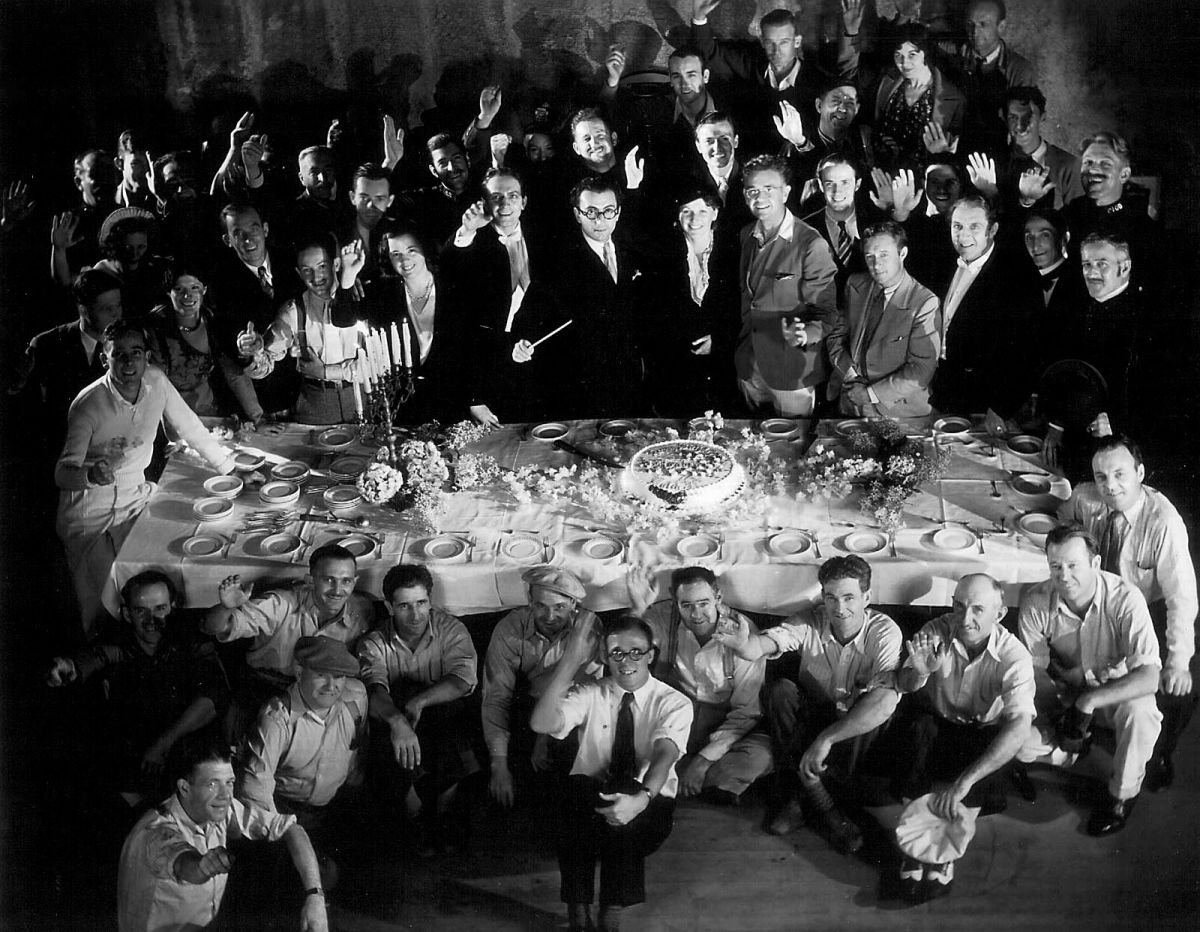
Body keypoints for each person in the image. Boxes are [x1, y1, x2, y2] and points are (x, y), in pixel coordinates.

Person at [56, 321, 236, 633]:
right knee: (102, 606)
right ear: (104, 359)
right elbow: (62, 473)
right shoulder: (88, 405)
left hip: (137, 498)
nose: (128, 363)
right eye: (119, 355)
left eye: (135, 353)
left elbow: (190, 427)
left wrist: (229, 469)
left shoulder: (156, 381)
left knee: (161, 577)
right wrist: (89, 475)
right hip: (89, 514)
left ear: (147, 357)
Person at [717, 556, 901, 853]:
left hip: (854, 724)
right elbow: (761, 645)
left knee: (874, 705)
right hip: (817, 712)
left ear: (867, 597)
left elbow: (886, 700)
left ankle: (815, 804)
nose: (839, 609)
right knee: (780, 692)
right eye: (830, 597)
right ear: (822, 597)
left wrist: (827, 740)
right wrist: (744, 645)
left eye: (849, 597)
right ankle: (816, 799)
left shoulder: (884, 631)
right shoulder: (810, 619)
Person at [531, 614, 693, 932]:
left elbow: (665, 753)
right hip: (591, 805)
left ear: (650, 655)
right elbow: (541, 724)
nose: (626, 660)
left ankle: (611, 912)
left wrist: (642, 798)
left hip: (649, 809)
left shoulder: (674, 702)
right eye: (617, 652)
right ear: (605, 656)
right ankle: (579, 910)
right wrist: (571, 663)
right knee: (574, 786)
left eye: (636, 652)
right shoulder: (592, 692)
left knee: (622, 788)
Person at [1058, 437, 1197, 792]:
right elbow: (1060, 524)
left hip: (1149, 610)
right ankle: (1080, 725)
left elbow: (1181, 596)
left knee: (1175, 685)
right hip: (1098, 601)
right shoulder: (1085, 496)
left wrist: (1178, 661)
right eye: (1101, 477)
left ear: (1141, 473)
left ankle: (1159, 753)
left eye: (1120, 474)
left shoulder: (1164, 521)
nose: (1110, 486)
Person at [890, 574, 1036, 901]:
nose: (965, 618)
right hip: (937, 724)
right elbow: (905, 684)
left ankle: (944, 853)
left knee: (988, 744)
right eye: (959, 606)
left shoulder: (1015, 656)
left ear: (999, 615)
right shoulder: (936, 631)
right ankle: (913, 846)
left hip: (978, 732)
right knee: (917, 728)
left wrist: (964, 783)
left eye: (977, 610)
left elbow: (1018, 728)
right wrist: (922, 672)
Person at [1017, 523, 1162, 836]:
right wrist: (1061, 716)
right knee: (1019, 742)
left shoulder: (1126, 599)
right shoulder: (1035, 602)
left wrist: (1089, 701)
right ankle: (1077, 748)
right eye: (1055, 566)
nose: (1064, 576)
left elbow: (1150, 676)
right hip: (1062, 696)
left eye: (1073, 565)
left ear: (1095, 563)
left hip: (1111, 693)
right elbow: (1035, 672)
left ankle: (1121, 796)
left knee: (1142, 712)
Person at [46, 570, 227, 807]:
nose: (151, 620)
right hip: (136, 749)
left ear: (173, 606)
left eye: (160, 608)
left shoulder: (191, 639)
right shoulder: (120, 641)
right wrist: (70, 666)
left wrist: (163, 745)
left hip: (184, 742)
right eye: (141, 610)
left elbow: (212, 699)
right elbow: (97, 655)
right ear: (127, 614)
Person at [117, 737, 328, 932]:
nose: (225, 795)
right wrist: (202, 866)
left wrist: (315, 897)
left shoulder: (222, 809)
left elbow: (292, 829)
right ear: (184, 787)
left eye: (230, 782)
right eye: (212, 784)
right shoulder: (155, 832)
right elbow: (183, 864)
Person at [357, 564, 480, 852]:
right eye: (404, 606)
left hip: (442, 715)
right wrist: (399, 721)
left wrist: (420, 701)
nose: (415, 615)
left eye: (421, 603)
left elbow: (463, 680)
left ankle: (439, 812)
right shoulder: (374, 642)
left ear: (430, 600)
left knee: (444, 723)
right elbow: (374, 691)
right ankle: (414, 811)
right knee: (390, 727)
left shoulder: (451, 629)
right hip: (400, 718)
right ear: (388, 606)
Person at [202, 544, 374, 744]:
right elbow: (214, 627)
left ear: (355, 582)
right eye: (329, 580)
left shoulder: (361, 613)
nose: (337, 590)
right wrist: (225, 608)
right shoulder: (281, 604)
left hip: (319, 690)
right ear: (310, 580)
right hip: (266, 686)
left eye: (346, 581)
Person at [627, 566, 772, 804]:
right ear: (675, 602)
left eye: (704, 603)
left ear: (718, 597)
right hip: (680, 717)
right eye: (687, 605)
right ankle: (694, 781)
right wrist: (638, 610)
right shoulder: (664, 617)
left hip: (726, 719)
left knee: (757, 758)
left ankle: (683, 776)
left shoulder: (742, 632)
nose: (696, 614)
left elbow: (745, 712)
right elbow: (627, 647)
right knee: (639, 749)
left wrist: (702, 760)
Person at [510, 174, 650, 418]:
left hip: (630, 379)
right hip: (582, 384)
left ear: (617, 212)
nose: (600, 220)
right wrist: (522, 342)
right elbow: (529, 315)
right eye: (591, 212)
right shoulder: (558, 262)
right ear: (577, 215)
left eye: (608, 211)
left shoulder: (634, 251)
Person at [240, 637, 368, 884]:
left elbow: (356, 759)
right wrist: (289, 837)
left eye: (339, 676)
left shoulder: (355, 700)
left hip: (329, 812)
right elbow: (255, 794)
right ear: (299, 673)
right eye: (321, 675)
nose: (332, 685)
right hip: (284, 814)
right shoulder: (277, 720)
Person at [481, 566, 604, 809]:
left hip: (566, 710)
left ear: (573, 605)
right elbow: (496, 696)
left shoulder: (588, 628)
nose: (549, 616)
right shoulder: (509, 629)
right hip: (524, 702)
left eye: (559, 607)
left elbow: (581, 694)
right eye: (540, 606)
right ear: (529, 601)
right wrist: (499, 766)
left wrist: (543, 737)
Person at [440, 167, 555, 425]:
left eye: (513, 196)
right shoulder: (472, 241)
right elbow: (449, 270)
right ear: (485, 203)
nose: (505, 203)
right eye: (496, 197)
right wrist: (473, 397)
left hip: (539, 364)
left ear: (524, 202)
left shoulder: (546, 239)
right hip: (488, 370)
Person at [333, 222, 470, 425]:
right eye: (395, 253)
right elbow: (342, 319)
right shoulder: (383, 294)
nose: (404, 260)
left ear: (424, 249)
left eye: (411, 250)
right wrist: (348, 276)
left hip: (451, 404)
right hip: (403, 409)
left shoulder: (454, 290)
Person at [735, 154, 838, 417]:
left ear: (786, 192)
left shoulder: (811, 244)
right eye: (752, 191)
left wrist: (806, 334)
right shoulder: (746, 234)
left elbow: (826, 314)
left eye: (769, 189)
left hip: (792, 370)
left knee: (793, 447)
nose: (760, 198)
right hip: (750, 366)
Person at [690, 2, 859, 157]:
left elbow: (846, 78)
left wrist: (851, 33)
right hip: (750, 161)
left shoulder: (815, 80)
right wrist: (699, 19)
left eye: (784, 42)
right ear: (762, 41)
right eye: (770, 42)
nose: (776, 50)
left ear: (797, 42)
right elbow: (710, 54)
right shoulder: (751, 64)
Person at [929, 193, 1041, 424]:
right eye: (957, 226)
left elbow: (1027, 350)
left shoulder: (1015, 275)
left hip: (991, 404)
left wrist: (1001, 407)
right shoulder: (945, 263)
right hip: (946, 394)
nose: (964, 235)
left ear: (993, 230)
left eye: (975, 227)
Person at [240, 232, 364, 424]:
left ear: (336, 265)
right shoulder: (293, 311)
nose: (316, 277)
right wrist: (255, 352)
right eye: (307, 270)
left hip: (362, 398)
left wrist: (326, 372)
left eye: (322, 267)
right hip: (315, 406)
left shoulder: (357, 298)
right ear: (299, 273)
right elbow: (265, 366)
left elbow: (377, 364)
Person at [640, 188, 741, 415]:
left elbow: (742, 308)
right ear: (678, 216)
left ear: (714, 213)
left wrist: (721, 341)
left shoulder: (734, 251)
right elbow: (652, 316)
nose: (695, 219)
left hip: (724, 368)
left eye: (702, 211)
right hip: (676, 371)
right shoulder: (659, 254)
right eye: (687, 211)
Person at [826, 220, 940, 419]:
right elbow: (835, 336)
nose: (876, 265)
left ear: (902, 254)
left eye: (884, 255)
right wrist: (851, 376)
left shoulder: (924, 303)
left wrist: (870, 394)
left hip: (898, 411)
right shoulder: (855, 284)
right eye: (870, 256)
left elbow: (921, 370)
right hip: (850, 401)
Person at [10, 267, 124, 463]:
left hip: (112, 456)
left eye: (118, 306)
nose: (116, 315)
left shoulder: (127, 344)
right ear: (83, 309)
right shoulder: (47, 345)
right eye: (107, 309)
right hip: (59, 457)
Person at [205, 203, 304, 418]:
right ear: (227, 240)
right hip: (256, 400)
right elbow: (228, 340)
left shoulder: (290, 262)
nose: (248, 239)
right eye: (238, 234)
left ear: (265, 230)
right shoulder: (220, 284)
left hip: (301, 394)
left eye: (254, 229)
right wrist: (245, 346)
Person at [144, 262, 261, 420]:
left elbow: (235, 374)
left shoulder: (213, 323)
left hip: (211, 415)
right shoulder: (156, 330)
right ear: (168, 292)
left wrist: (257, 418)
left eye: (194, 288)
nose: (188, 295)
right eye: (179, 289)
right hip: (171, 419)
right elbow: (156, 385)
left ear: (204, 290)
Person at [871, 24, 965, 172]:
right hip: (887, 175)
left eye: (912, 55)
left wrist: (942, 153)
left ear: (925, 54)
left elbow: (957, 153)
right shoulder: (887, 83)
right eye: (898, 55)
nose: (904, 62)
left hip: (927, 180)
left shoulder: (953, 98)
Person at [951, 0, 1037, 158]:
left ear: (1001, 27)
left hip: (997, 154)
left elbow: (1021, 127)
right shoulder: (954, 57)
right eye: (970, 24)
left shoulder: (1019, 69)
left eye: (984, 24)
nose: (975, 32)